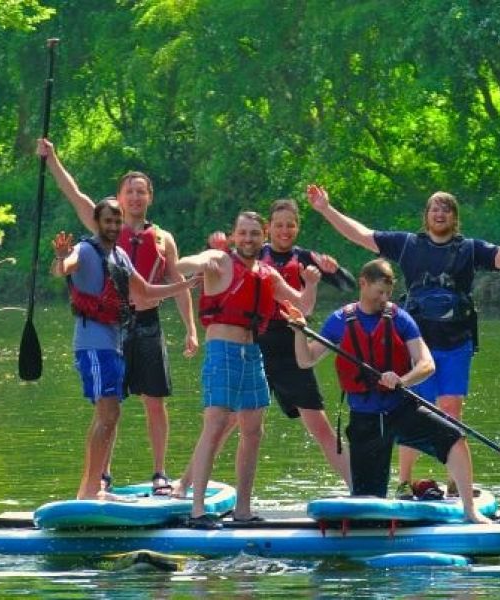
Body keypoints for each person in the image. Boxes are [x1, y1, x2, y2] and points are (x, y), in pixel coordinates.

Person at [306, 185, 500, 495]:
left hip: (455, 342)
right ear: (426, 216)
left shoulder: (470, 249)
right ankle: (404, 481)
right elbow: (362, 235)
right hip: (414, 343)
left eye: (446, 209)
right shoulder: (408, 244)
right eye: (434, 209)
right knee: (412, 408)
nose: (439, 213)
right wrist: (326, 209)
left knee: (451, 408)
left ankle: (456, 481)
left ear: (454, 217)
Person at [38, 139, 198, 495]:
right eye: (130, 192)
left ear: (150, 197)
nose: (136, 198)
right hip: (110, 329)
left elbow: (167, 285)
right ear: (118, 198)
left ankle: (159, 472)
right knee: (108, 405)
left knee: (151, 400)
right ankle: (100, 477)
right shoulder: (101, 230)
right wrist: (51, 159)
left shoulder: (163, 238)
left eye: (142, 192)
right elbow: (74, 194)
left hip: (147, 324)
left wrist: (191, 327)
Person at [287, 258, 491, 524]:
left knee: (454, 436)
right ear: (363, 284)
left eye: (388, 293)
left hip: (400, 410)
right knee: (368, 507)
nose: (383, 299)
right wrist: (299, 331)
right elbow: (306, 360)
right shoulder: (340, 320)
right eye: (378, 292)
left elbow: (426, 364)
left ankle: (469, 510)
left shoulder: (399, 318)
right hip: (365, 422)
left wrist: (403, 380)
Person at [178, 199, 355, 491]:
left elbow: (346, 285)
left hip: (290, 350)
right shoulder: (252, 251)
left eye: (290, 225)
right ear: (268, 228)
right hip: (253, 346)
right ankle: (184, 484)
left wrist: (332, 270)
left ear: (297, 227)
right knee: (225, 422)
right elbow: (222, 264)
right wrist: (216, 249)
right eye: (279, 225)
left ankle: (355, 487)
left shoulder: (306, 258)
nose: (284, 231)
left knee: (320, 426)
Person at [175, 211, 321, 529]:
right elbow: (182, 265)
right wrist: (195, 266)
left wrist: (310, 284)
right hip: (221, 351)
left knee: (253, 431)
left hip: (253, 352)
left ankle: (243, 509)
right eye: (243, 233)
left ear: (263, 237)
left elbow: (303, 306)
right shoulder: (219, 260)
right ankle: (197, 510)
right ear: (234, 235)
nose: (248, 239)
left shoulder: (268, 274)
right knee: (214, 425)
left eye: (255, 233)